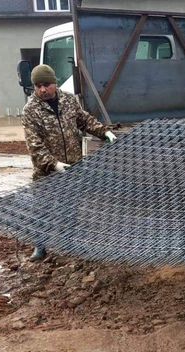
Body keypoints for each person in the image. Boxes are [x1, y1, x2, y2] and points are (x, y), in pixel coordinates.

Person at [22, 64, 117, 262]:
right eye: (38, 86)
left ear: (54, 83)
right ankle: (40, 246)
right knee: (42, 209)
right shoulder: (31, 110)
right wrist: (53, 164)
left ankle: (70, 243)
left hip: (73, 167)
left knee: (71, 207)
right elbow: (35, 146)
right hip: (46, 171)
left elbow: (85, 120)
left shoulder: (68, 101)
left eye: (46, 85)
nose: (42, 90)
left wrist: (104, 131)